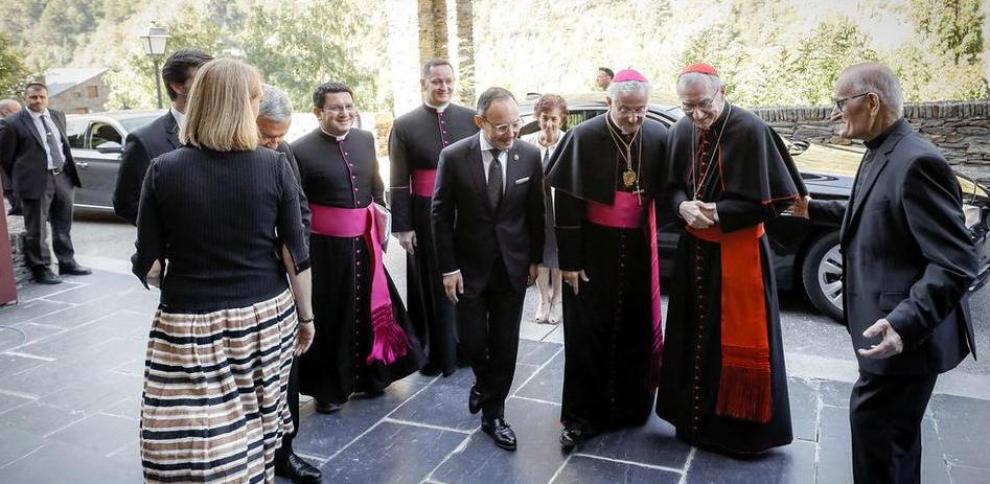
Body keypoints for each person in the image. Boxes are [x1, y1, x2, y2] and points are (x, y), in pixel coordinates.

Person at [792, 63, 977, 483]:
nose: (833, 113)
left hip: (902, 342)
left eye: (840, 103)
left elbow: (956, 261)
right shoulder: (882, 149)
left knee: (879, 441)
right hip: (889, 337)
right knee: (890, 442)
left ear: (871, 102)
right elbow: (880, 215)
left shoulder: (917, 163)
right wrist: (814, 210)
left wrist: (903, 325)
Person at [131, 58, 313, 483]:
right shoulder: (273, 165)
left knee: (197, 434)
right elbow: (294, 251)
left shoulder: (163, 169)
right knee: (261, 420)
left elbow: (149, 262)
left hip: (188, 320)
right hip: (266, 317)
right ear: (244, 105)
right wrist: (306, 317)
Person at [657, 63, 803, 454]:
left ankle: (737, 432)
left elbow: (779, 199)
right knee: (691, 337)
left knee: (728, 338)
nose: (697, 115)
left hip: (739, 254)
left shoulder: (750, 130)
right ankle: (691, 422)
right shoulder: (682, 130)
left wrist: (720, 212)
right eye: (688, 107)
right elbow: (669, 187)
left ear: (721, 92)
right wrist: (683, 206)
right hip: (694, 253)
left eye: (703, 105)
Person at [546, 69, 666, 451]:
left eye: (640, 110)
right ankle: (583, 417)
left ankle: (630, 408)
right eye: (625, 110)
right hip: (592, 250)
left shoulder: (659, 135)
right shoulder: (584, 136)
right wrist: (569, 260)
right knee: (587, 335)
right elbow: (565, 203)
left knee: (633, 328)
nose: (633, 118)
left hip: (637, 248)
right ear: (609, 103)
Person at [293, 81, 424, 414]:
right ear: (318, 112)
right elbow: (298, 205)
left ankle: (373, 376)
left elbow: (375, 188)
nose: (345, 113)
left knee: (370, 309)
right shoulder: (298, 150)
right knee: (333, 315)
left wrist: (378, 219)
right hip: (326, 251)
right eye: (336, 107)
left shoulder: (365, 140)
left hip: (364, 246)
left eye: (349, 106)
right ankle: (329, 389)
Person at [432, 87, 544, 452]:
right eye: (502, 128)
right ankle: (484, 384)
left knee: (505, 343)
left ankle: (494, 415)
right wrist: (448, 268)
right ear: (480, 122)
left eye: (516, 125)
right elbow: (440, 215)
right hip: (468, 268)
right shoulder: (453, 156)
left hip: (513, 265)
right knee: (473, 341)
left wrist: (536, 259)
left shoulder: (529, 155)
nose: (512, 134)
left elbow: (536, 212)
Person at [389, 58, 479, 376]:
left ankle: (469, 346)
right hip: (424, 213)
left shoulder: (472, 118)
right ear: (423, 84)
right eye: (436, 81)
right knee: (432, 282)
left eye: (448, 81)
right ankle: (437, 351)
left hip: (466, 211)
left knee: (469, 276)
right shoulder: (404, 124)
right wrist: (402, 227)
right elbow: (399, 178)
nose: (443, 87)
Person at [256, 84, 320, 484]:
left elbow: (300, 210)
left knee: (286, 374)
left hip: (280, 280)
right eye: (267, 133)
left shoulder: (281, 154)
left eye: (280, 135)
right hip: (241, 281)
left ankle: (286, 453)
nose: (274, 142)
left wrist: (296, 252)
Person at [0, 83, 89, 284]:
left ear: (47, 97)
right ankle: (41, 268)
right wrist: (20, 180)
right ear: (26, 99)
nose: (38, 101)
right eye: (33, 97)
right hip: (35, 181)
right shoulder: (13, 123)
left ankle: (67, 262)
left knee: (63, 223)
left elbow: (62, 145)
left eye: (41, 97)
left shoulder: (58, 116)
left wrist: (65, 174)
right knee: (36, 228)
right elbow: (6, 158)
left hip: (62, 177)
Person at [114, 48, 213, 225]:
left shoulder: (228, 132)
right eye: (203, 80)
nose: (213, 86)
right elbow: (126, 203)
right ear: (177, 86)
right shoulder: (144, 141)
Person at [520, 94, 567, 324]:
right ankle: (542, 299)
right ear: (538, 118)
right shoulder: (527, 142)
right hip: (534, 207)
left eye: (554, 119)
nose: (549, 124)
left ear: (562, 120)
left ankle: (557, 299)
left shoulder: (568, 141)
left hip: (559, 207)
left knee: (556, 253)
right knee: (538, 253)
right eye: (545, 118)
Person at [0, 99, 22, 215]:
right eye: (17, 111)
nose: (20, 114)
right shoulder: (5, 125)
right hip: (9, 177)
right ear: (4, 112)